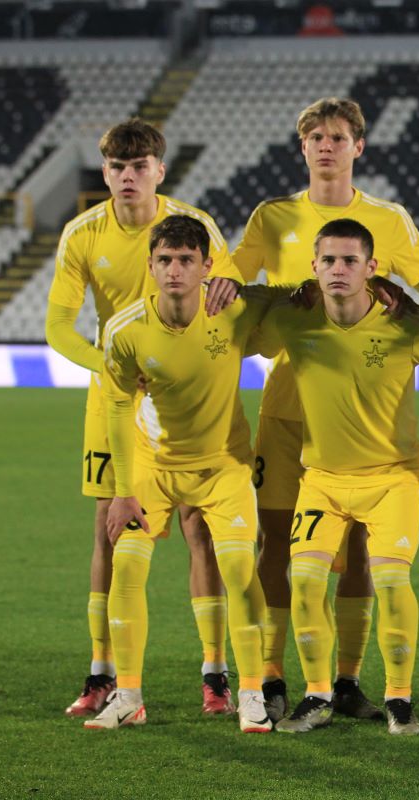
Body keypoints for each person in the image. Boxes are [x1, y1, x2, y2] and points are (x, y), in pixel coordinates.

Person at [232, 97, 419, 722]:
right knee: (277, 547)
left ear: (358, 146)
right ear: (303, 147)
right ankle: (270, 676)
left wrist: (399, 294)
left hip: (362, 418)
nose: (326, 145)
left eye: (338, 136)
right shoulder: (274, 216)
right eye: (315, 136)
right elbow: (232, 285)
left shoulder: (388, 219)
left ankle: (345, 680)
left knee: (361, 556)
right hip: (288, 410)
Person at [46, 118, 243, 718]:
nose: (127, 177)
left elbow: (229, 289)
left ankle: (215, 674)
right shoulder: (83, 234)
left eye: (139, 167)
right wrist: (106, 364)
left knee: (199, 530)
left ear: (159, 170)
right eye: (116, 168)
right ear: (104, 172)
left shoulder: (192, 228)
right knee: (110, 527)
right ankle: (102, 671)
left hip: (188, 397)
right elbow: (58, 325)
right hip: (118, 397)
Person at [250, 219, 419, 735]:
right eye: (329, 261)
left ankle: (399, 698)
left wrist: (413, 304)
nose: (339, 270)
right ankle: (316, 695)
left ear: (372, 268)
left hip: (394, 479)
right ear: (313, 268)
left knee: (390, 579)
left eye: (350, 261)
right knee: (308, 579)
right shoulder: (296, 321)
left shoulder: (403, 324)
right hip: (321, 480)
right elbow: (243, 324)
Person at [88, 215, 270, 732]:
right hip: (154, 467)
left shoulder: (234, 310)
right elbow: (119, 410)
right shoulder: (124, 329)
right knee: (128, 569)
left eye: (186, 260)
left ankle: (252, 693)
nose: (174, 270)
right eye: (164, 260)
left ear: (207, 267)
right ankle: (128, 696)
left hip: (224, 467)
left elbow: (292, 300)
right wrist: (123, 492)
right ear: (150, 266)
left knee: (239, 572)